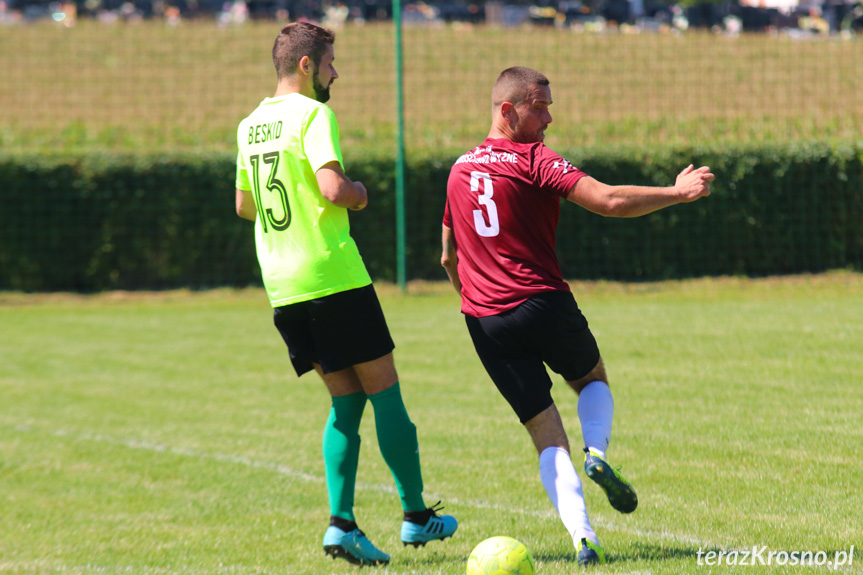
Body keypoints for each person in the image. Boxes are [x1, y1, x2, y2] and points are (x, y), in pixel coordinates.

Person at [440, 66, 713, 567]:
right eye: (538, 107)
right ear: (507, 111)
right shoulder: (531, 159)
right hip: (542, 302)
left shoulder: (459, 169)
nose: (548, 118)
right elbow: (607, 200)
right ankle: (598, 454)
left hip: (483, 321)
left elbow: (446, 257)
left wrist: (477, 297)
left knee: (545, 434)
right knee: (592, 380)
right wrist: (678, 193)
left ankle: (583, 538)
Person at [235, 22, 457, 567]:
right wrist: (359, 194)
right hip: (333, 278)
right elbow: (334, 188)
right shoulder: (314, 114)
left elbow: (244, 206)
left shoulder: (250, 125)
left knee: (346, 402)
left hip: (284, 288)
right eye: (331, 61)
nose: (337, 71)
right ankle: (415, 516)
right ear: (307, 64)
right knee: (387, 397)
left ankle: (342, 526)